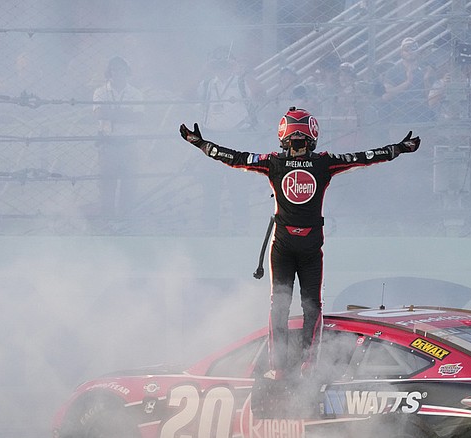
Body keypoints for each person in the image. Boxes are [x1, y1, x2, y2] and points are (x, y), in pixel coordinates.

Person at [179, 108, 420, 378]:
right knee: (298, 306)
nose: (297, 148)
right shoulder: (322, 163)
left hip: (289, 248)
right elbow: (364, 158)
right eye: (296, 143)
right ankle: (289, 366)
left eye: (300, 143)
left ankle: (292, 367)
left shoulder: (275, 162)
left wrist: (201, 145)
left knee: (295, 306)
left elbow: (234, 158)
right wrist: (398, 149)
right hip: (299, 249)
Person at [196, 46, 266, 232]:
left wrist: (243, 71)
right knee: (210, 187)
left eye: (225, 62)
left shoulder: (242, 82)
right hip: (212, 138)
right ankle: (210, 229)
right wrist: (204, 70)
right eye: (217, 63)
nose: (221, 66)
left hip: (238, 139)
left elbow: (260, 95)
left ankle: (240, 228)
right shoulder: (207, 83)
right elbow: (185, 95)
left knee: (239, 188)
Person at [92, 56, 144, 218]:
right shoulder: (100, 91)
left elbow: (139, 117)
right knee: (107, 186)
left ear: (127, 72)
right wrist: (126, 114)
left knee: (129, 186)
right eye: (114, 69)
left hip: (129, 145)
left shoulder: (136, 93)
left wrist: (112, 114)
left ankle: (126, 219)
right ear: (109, 72)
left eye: (121, 69)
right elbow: (99, 113)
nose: (118, 73)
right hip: (108, 145)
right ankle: (107, 220)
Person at [382, 37, 435, 123]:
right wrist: (408, 82)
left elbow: (431, 98)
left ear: (418, 51)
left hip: (422, 115)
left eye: (413, 49)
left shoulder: (426, 69)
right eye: (407, 49)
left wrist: (426, 79)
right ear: (401, 52)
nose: (410, 52)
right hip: (399, 114)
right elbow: (386, 96)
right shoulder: (393, 71)